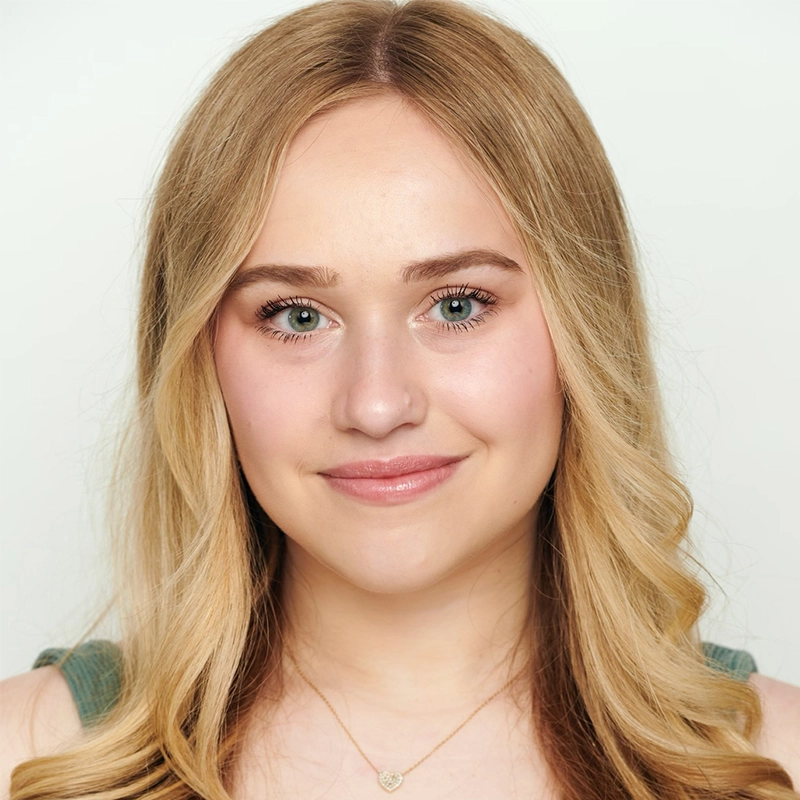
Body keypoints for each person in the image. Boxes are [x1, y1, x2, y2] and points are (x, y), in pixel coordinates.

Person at [1, 0, 798, 798]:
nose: (377, 405)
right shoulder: (25, 754)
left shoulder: (778, 764)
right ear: (198, 358)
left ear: (585, 329)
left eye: (457, 304)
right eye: (297, 316)